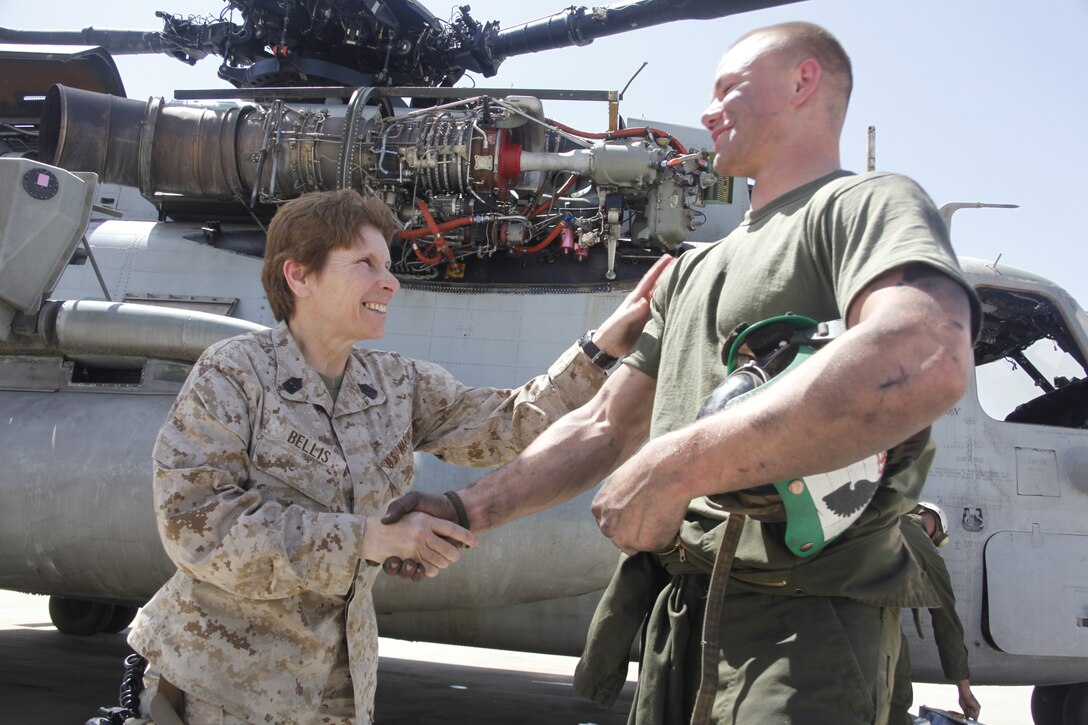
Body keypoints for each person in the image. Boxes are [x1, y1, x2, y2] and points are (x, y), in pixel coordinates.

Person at [383, 21, 981, 725]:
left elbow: (929, 353)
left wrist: (678, 465)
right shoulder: (692, 268)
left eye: (729, 88)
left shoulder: (863, 206)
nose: (706, 112)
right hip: (681, 619)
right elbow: (605, 425)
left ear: (803, 81)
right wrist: (464, 510)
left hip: (803, 626)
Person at [125, 188, 672, 725]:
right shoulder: (234, 373)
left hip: (339, 690)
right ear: (299, 276)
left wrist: (602, 346)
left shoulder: (394, 384)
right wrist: (366, 538)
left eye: (387, 264)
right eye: (364, 263)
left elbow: (507, 425)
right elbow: (195, 525)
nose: (389, 281)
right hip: (220, 687)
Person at [890, 501, 982, 723]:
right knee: (896, 697)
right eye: (937, 538)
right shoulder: (924, 546)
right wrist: (964, 690)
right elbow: (946, 622)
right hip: (864, 621)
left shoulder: (876, 519)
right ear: (932, 521)